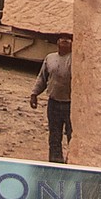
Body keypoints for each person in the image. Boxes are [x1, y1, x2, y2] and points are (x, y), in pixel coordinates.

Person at [30, 34, 73, 164]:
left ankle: (72, 163)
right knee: (54, 137)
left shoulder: (75, 59)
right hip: (53, 103)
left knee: (72, 137)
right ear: (57, 42)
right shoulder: (50, 58)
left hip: (71, 105)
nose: (65, 41)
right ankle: (55, 163)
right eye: (62, 39)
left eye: (68, 39)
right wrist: (34, 94)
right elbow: (42, 78)